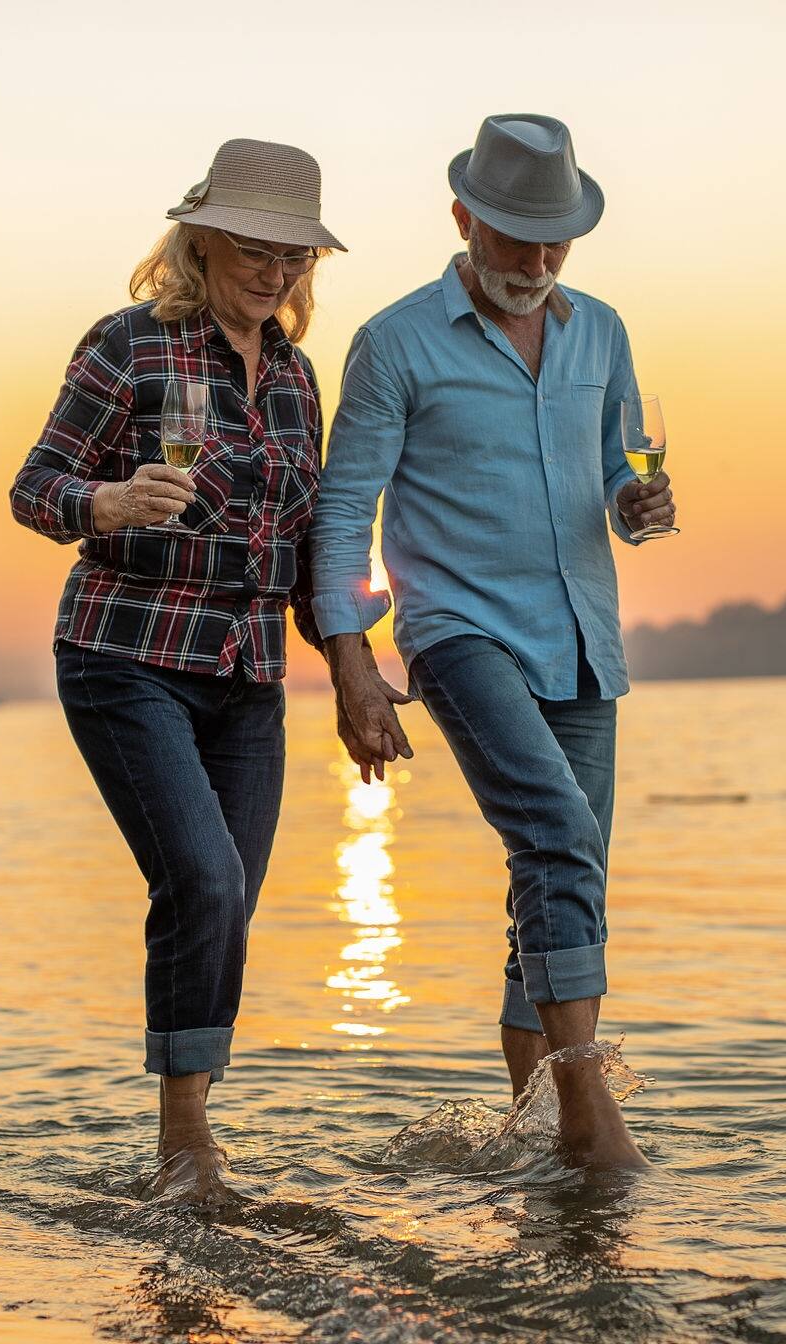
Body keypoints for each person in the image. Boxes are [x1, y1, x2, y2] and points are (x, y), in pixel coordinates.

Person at [308, 114, 675, 1169]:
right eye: (516, 237)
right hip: (459, 631)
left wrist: (633, 502)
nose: (538, 261)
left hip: (581, 636)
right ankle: (589, 1112)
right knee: (558, 835)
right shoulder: (395, 342)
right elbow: (345, 509)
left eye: (556, 241)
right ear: (463, 218)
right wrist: (351, 661)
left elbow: (617, 466)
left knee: (559, 865)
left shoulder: (602, 332)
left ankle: (530, 1128)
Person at [9, 138, 347, 1204]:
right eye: (256, 250)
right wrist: (105, 503)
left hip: (248, 677)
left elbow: (299, 546)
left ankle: (194, 1136)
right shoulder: (130, 344)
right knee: (199, 878)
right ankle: (184, 1145)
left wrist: (354, 664)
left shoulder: (294, 379)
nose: (276, 272)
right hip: (126, 657)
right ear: (200, 241)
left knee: (228, 900)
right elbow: (35, 486)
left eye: (294, 256)